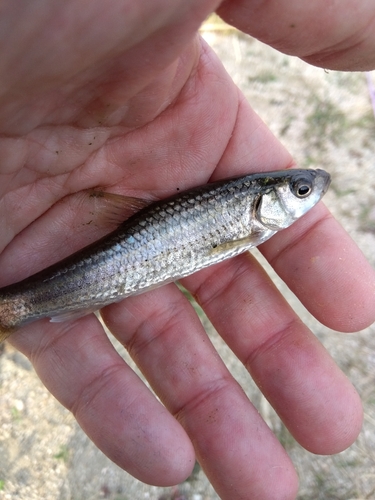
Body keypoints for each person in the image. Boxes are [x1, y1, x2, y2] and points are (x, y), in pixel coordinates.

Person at [1, 1, 374, 498]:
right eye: (301, 192)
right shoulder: (250, 218)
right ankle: (16, 307)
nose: (311, 192)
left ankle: (17, 308)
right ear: (265, 202)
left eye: (301, 190)